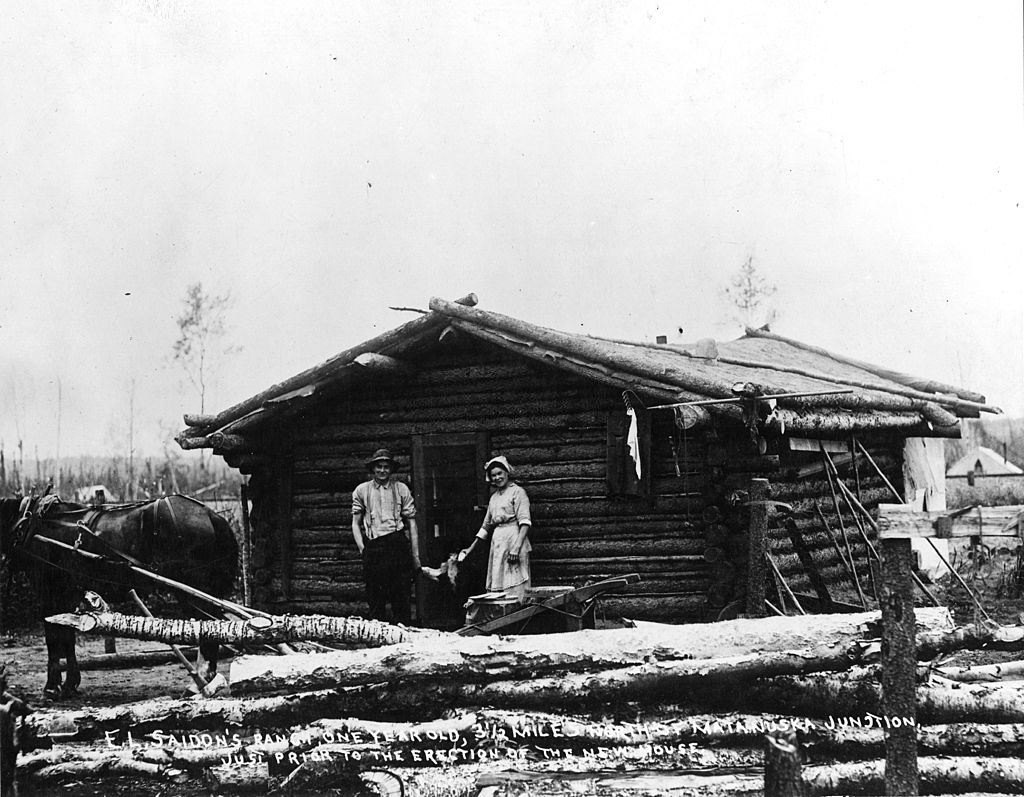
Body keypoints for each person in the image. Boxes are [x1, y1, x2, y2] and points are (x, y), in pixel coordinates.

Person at [351, 449, 421, 624]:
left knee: (401, 596)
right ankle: (378, 642)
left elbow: (412, 522)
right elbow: (355, 523)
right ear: (373, 469)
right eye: (379, 467)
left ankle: (403, 639)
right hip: (375, 548)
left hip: (397, 544)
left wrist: (415, 556)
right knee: (376, 597)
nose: (382, 471)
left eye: (386, 467)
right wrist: (363, 549)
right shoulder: (362, 490)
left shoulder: (401, 489)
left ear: (391, 469)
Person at [459, 455, 532, 599]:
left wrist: (516, 548)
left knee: (514, 584)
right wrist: (470, 548)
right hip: (498, 543)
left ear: (507, 472)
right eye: (493, 475)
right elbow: (486, 526)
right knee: (499, 586)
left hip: (514, 540)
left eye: (500, 473)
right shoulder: (494, 498)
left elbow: (525, 523)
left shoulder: (518, 492)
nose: (497, 478)